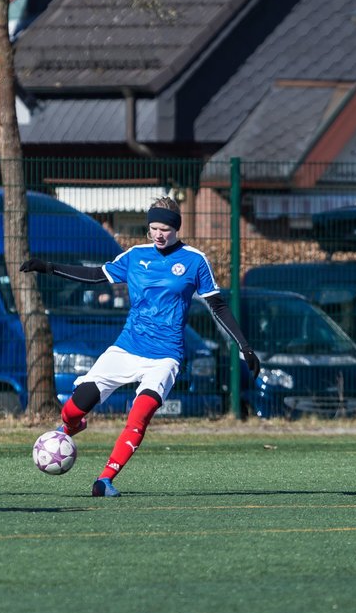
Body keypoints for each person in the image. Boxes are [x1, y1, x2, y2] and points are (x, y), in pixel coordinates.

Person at [20, 197, 260, 497]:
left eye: (165, 229)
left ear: (176, 229)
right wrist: (48, 267)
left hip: (165, 356)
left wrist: (245, 347)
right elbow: (97, 275)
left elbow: (217, 306)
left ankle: (105, 480)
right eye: (153, 228)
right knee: (73, 406)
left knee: (140, 412)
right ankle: (73, 424)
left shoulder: (194, 260)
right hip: (126, 348)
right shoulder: (135, 256)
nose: (159, 235)